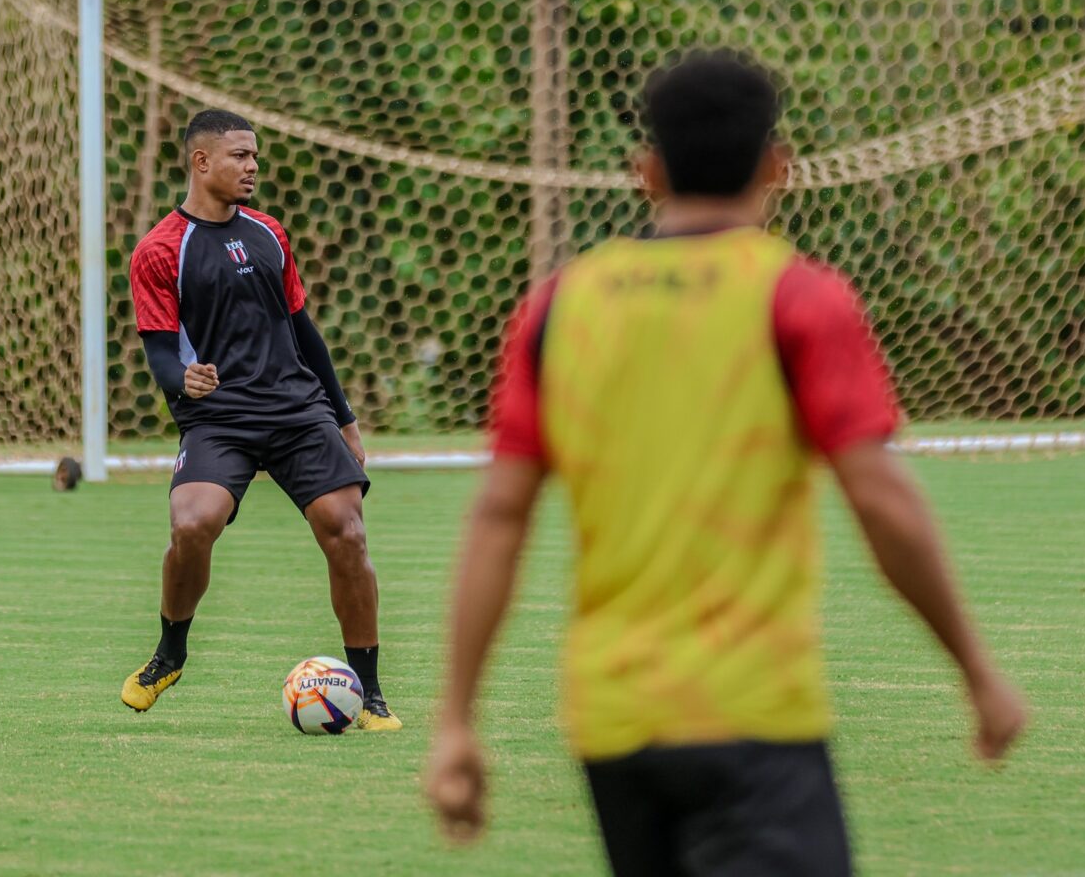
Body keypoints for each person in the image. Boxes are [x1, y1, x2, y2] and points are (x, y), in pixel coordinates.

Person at [424, 51, 1026, 873]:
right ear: (779, 167)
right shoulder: (797, 295)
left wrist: (456, 720)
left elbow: (500, 515)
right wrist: (977, 671)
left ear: (647, 173)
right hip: (752, 715)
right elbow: (880, 498)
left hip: (613, 723)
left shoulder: (561, 305)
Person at [123, 108, 401, 732]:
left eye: (255, 157)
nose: (252, 167)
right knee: (192, 524)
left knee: (347, 531)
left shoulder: (270, 234)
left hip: (297, 411)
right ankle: (170, 651)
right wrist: (181, 381)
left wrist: (345, 418)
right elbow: (162, 351)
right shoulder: (160, 250)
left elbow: (305, 332)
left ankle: (372, 694)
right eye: (239, 156)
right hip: (218, 419)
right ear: (201, 162)